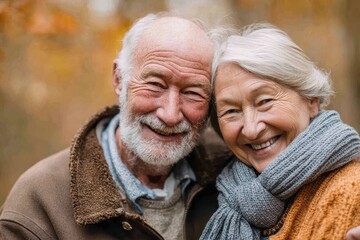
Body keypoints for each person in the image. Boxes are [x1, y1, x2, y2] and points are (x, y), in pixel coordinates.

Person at [0, 12, 231, 240]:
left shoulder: (230, 173)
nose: (170, 115)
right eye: (155, 85)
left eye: (192, 93)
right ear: (119, 79)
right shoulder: (40, 199)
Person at [200, 23, 360, 240]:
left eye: (265, 101)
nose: (251, 129)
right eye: (231, 111)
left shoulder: (352, 191)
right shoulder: (211, 196)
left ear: (311, 100)